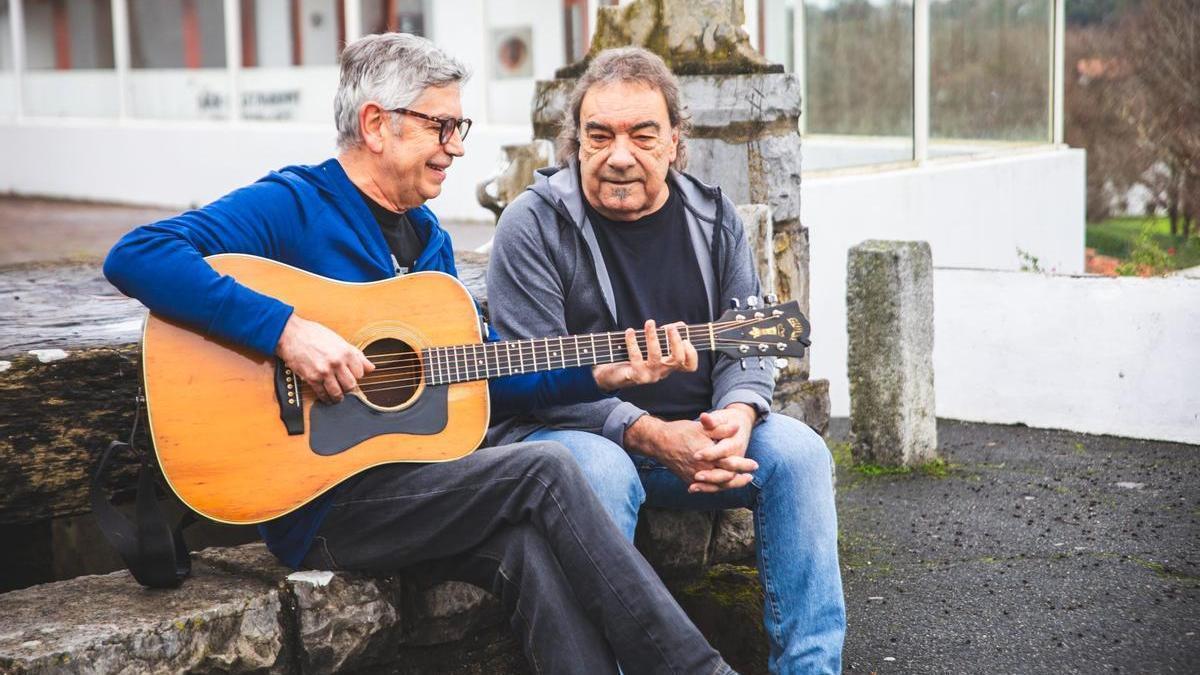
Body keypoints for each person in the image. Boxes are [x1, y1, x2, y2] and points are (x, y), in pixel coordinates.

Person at [104, 33, 737, 675]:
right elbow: (138, 253)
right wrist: (286, 331)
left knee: (528, 549)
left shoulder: (426, 242)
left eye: (459, 125)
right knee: (544, 468)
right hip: (320, 506)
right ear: (376, 125)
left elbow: (479, 376)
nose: (457, 146)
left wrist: (597, 372)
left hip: (412, 490)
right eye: (442, 126)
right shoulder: (293, 206)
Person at [487, 47, 846, 674]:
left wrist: (737, 414)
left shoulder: (715, 218)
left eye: (642, 135)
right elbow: (528, 375)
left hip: (701, 436)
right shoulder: (532, 226)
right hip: (577, 438)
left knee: (801, 454)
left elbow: (747, 341)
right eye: (599, 136)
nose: (619, 155)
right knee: (598, 472)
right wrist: (647, 433)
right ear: (574, 144)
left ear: (675, 142)